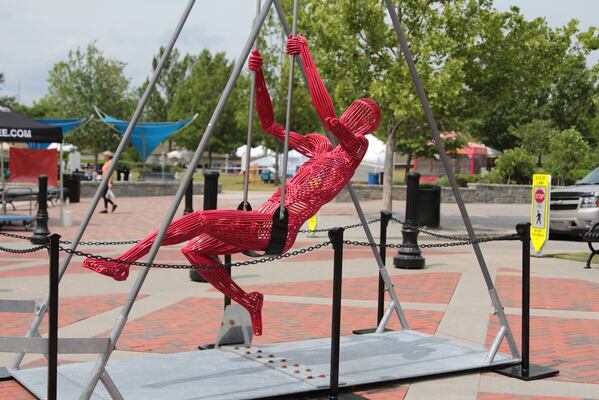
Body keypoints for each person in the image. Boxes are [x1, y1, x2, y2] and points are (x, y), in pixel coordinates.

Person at [83, 35, 381, 336]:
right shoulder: (319, 147)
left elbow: (327, 116)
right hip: (265, 216)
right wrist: (259, 77)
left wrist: (305, 53)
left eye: (364, 117)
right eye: (355, 109)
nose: (354, 116)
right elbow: (270, 126)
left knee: (199, 219)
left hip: (278, 225)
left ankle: (122, 263)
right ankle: (248, 301)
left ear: (366, 129)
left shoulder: (355, 149)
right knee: (195, 251)